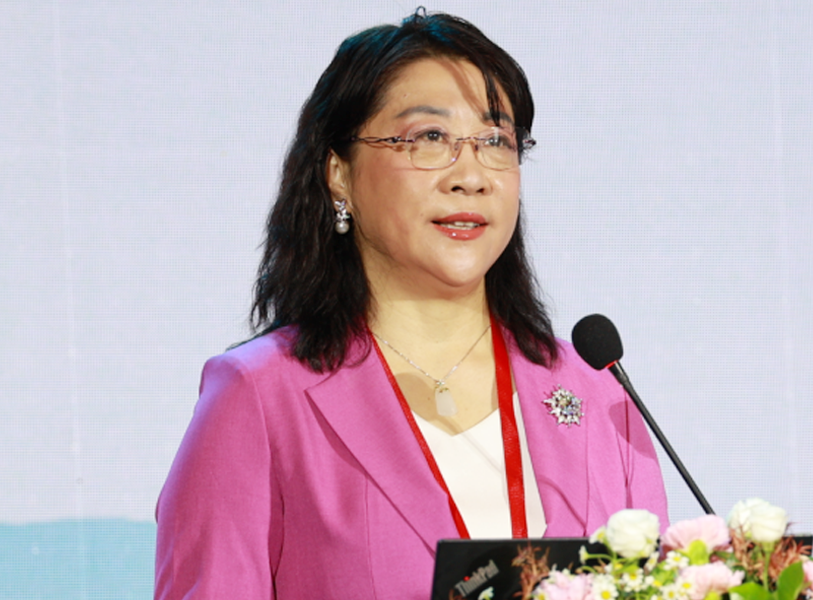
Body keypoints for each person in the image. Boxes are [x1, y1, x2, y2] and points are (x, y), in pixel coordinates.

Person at [155, 10, 668, 600]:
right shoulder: (259, 399)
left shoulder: (599, 392)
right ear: (338, 174)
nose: (470, 175)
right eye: (430, 139)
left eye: (495, 142)